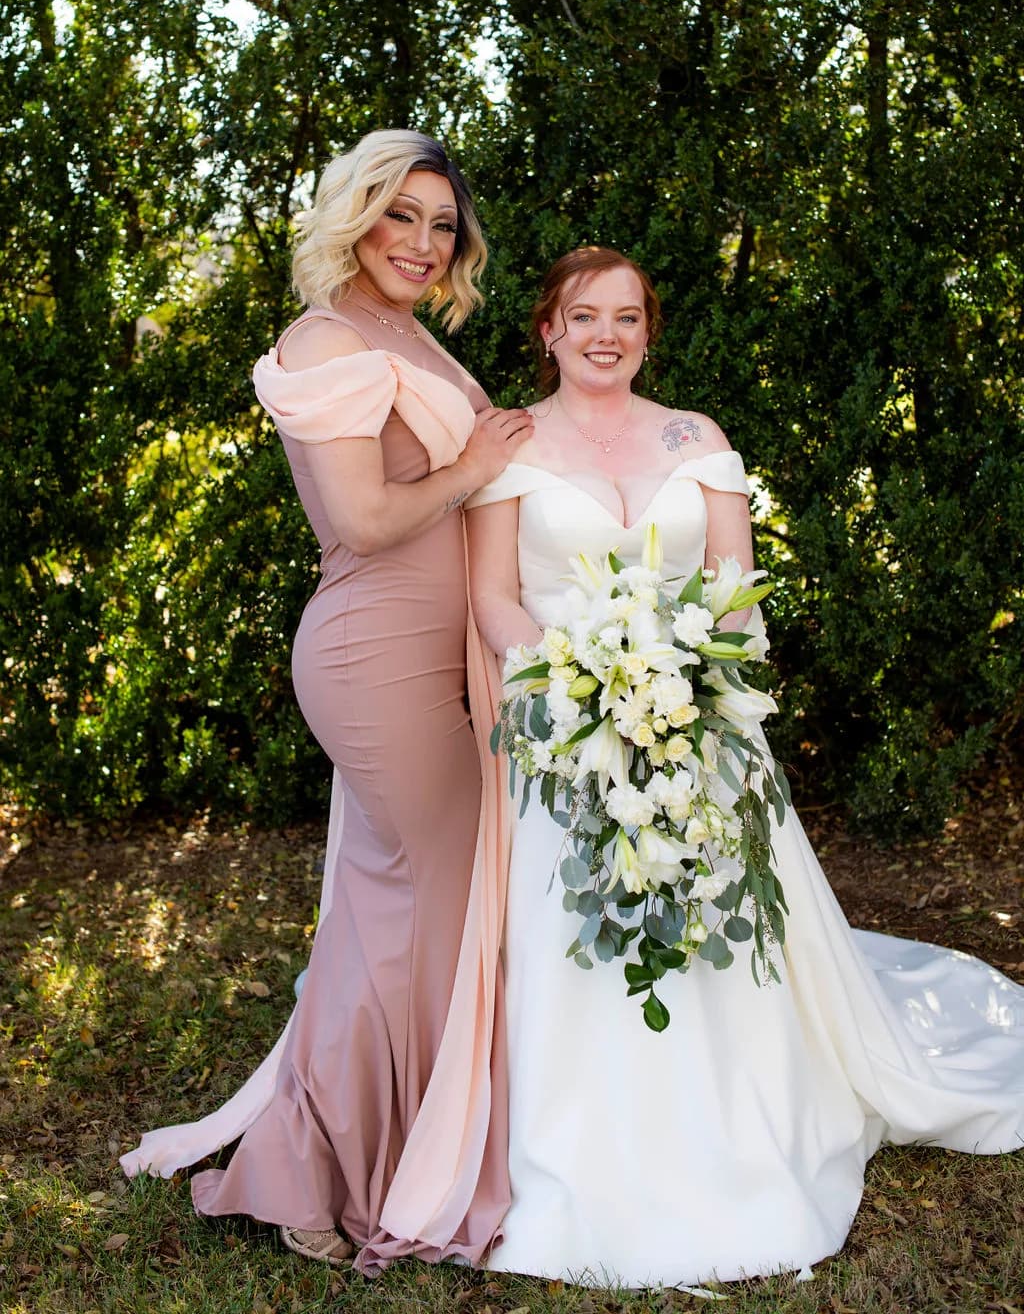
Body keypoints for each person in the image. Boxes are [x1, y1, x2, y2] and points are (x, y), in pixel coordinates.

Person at [466, 245, 1024, 1289]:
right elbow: (493, 596)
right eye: (583, 316)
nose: (604, 336)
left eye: (626, 318)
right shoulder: (507, 448)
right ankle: (586, 1139)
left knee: (719, 914)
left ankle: (743, 1118)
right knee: (575, 919)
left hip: (697, 718)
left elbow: (732, 585)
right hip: (564, 722)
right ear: (545, 329)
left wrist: (674, 671)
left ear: (647, 333)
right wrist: (574, 676)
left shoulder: (698, 440)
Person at [121, 130, 531, 1275]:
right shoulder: (324, 338)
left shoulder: (407, 336)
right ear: (355, 215)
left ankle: (320, 1164)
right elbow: (362, 520)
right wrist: (477, 461)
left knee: (379, 914)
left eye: (442, 224)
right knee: (438, 904)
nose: (422, 241)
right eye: (400, 214)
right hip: (373, 656)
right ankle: (356, 1165)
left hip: (430, 655)